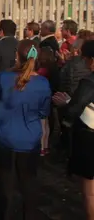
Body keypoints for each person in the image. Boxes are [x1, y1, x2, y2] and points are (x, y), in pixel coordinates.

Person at [0, 39, 51, 220]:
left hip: (4, 137)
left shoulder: (3, 77)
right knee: (29, 184)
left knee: (4, 186)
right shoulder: (43, 83)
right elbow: (43, 112)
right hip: (30, 138)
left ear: (17, 55)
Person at [53, 40, 94, 219]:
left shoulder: (89, 82)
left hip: (89, 136)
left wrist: (66, 103)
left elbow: (75, 108)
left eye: (85, 59)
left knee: (89, 190)